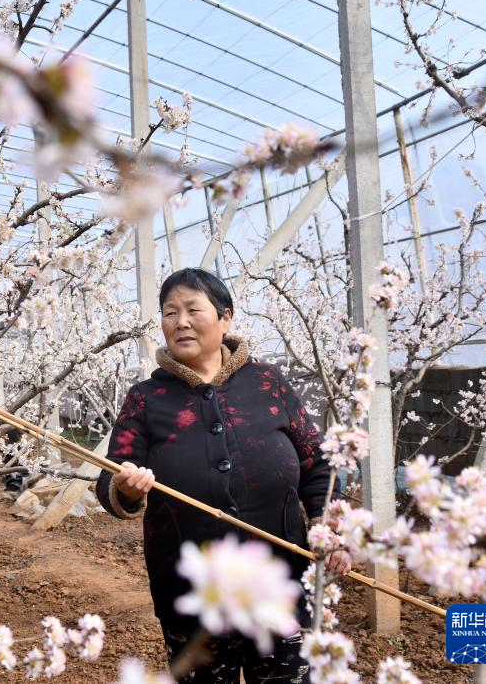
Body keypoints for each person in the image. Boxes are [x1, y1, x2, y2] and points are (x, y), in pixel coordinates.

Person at [95, 268, 350, 684]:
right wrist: (124, 488)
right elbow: (108, 481)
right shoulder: (145, 399)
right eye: (169, 312)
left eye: (193, 309)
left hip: (279, 583)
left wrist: (327, 525)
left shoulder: (268, 383)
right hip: (192, 592)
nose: (180, 322)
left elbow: (316, 463)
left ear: (225, 318)